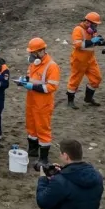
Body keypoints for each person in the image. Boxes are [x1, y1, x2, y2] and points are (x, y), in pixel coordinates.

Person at [35, 139, 104, 209]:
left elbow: (43, 202)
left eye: (60, 154)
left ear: (66, 156)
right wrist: (63, 170)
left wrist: (43, 179)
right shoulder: (97, 176)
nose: (60, 156)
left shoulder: (60, 182)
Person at [22, 37, 61, 170]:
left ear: (41, 51)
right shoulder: (33, 64)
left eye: (32, 52)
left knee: (43, 129)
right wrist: (24, 81)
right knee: (31, 126)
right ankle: (33, 150)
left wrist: (32, 86)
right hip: (31, 101)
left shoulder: (52, 66)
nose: (31, 55)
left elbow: (51, 87)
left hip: (43, 104)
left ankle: (44, 158)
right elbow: (31, 78)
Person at [67, 12, 104, 110]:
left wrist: (100, 41)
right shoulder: (78, 29)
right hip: (79, 60)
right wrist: (92, 41)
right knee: (75, 81)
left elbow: (93, 43)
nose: (96, 26)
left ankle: (88, 98)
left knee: (97, 78)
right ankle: (70, 101)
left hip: (90, 59)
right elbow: (78, 45)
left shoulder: (92, 31)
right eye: (94, 24)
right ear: (87, 22)